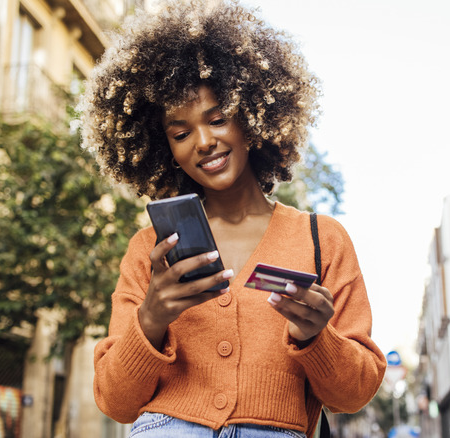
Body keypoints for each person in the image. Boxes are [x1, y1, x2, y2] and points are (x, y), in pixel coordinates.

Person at [79, 0, 386, 436]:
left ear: (253, 118)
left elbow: (353, 394)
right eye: (180, 132)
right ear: (163, 146)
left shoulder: (322, 239)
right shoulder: (149, 249)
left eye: (218, 119)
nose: (203, 142)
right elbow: (115, 402)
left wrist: (318, 337)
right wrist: (151, 318)